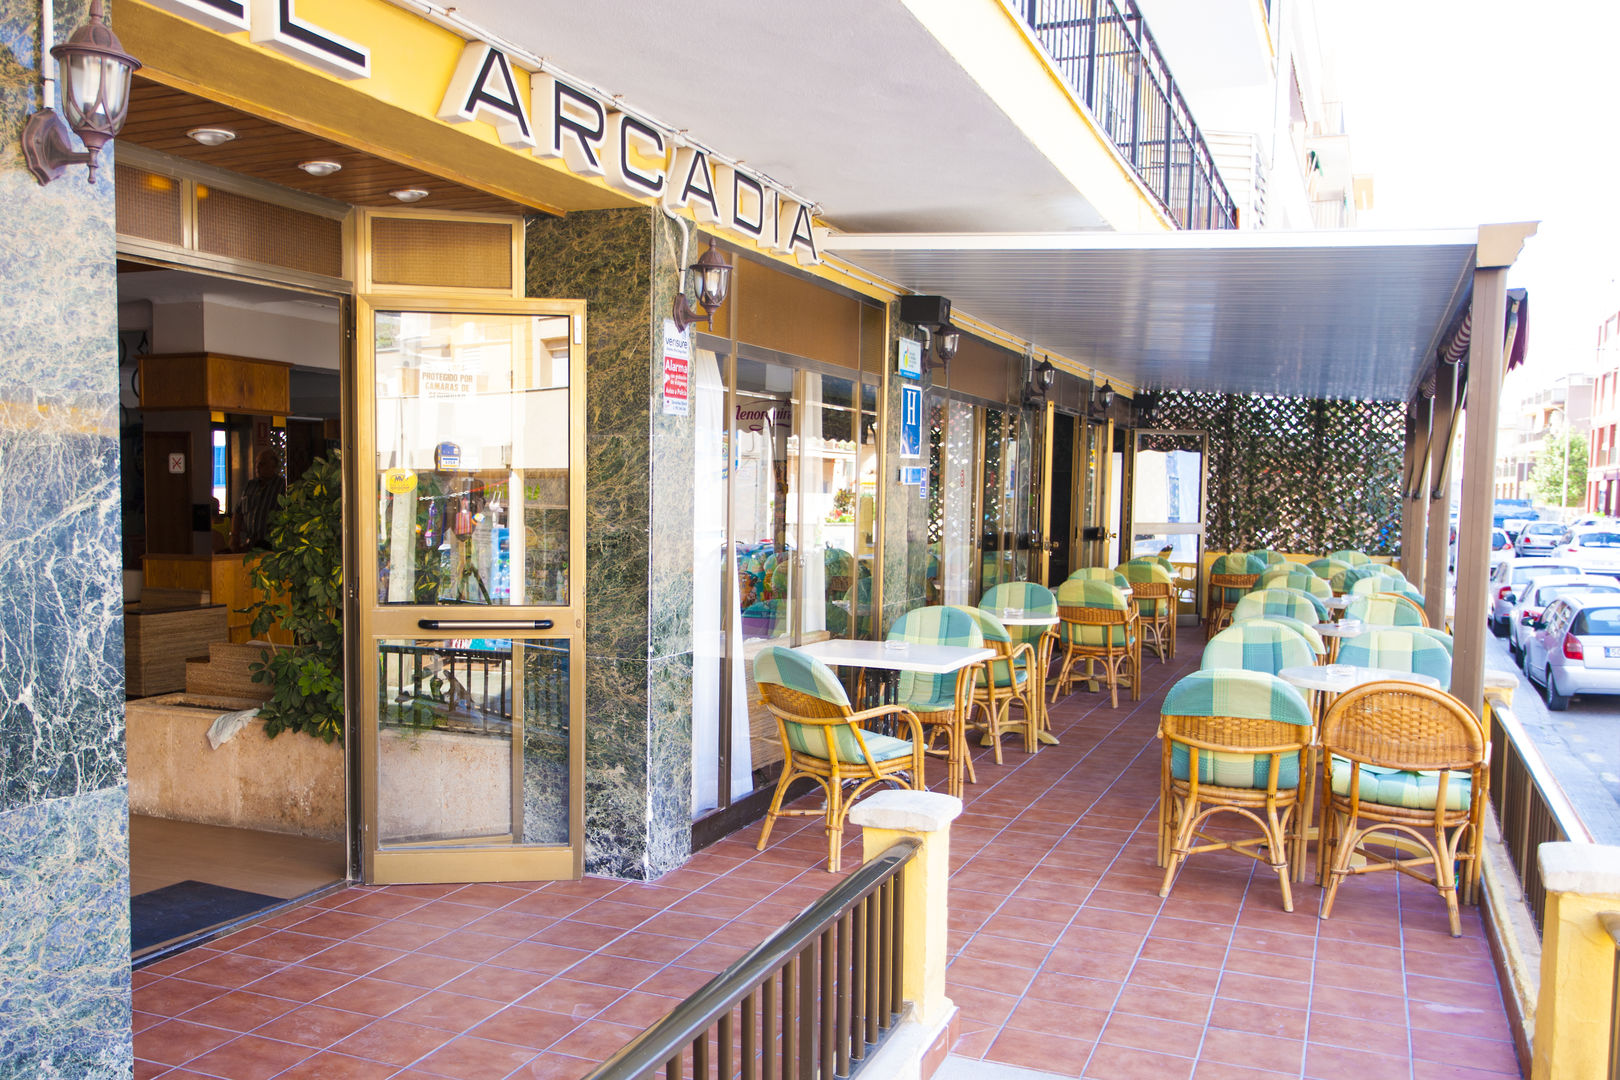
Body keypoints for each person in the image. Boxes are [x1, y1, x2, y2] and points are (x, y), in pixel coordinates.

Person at [230, 448, 284, 551]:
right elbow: (238, 512)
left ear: (273, 466)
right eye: (257, 464)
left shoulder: (281, 487)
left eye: (262, 464)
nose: (258, 467)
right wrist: (234, 536)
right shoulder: (250, 486)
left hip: (272, 545)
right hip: (250, 544)